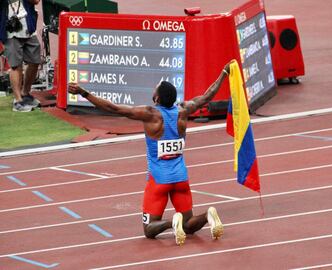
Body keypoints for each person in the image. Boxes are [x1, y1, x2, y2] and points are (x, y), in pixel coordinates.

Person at [68, 62, 231, 245]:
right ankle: (208, 215)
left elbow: (113, 108)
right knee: (189, 225)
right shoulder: (184, 111)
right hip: (181, 177)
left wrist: (84, 93)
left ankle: (171, 222)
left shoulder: (150, 114)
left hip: (159, 179)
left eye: (155, 90)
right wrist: (224, 72)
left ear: (157, 99)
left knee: (149, 231)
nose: (153, 91)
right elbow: (207, 96)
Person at [0, 0, 41, 112]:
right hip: (9, 31)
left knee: (35, 61)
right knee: (15, 65)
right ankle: (18, 101)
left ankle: (25, 94)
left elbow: (36, 1)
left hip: (28, 27)